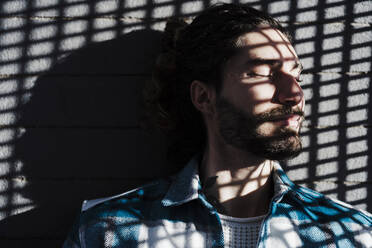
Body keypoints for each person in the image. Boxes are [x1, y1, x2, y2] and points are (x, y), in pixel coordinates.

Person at [63, 3, 372, 248]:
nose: (295, 94)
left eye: (296, 75)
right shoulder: (112, 230)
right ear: (203, 96)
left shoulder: (352, 234)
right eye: (264, 72)